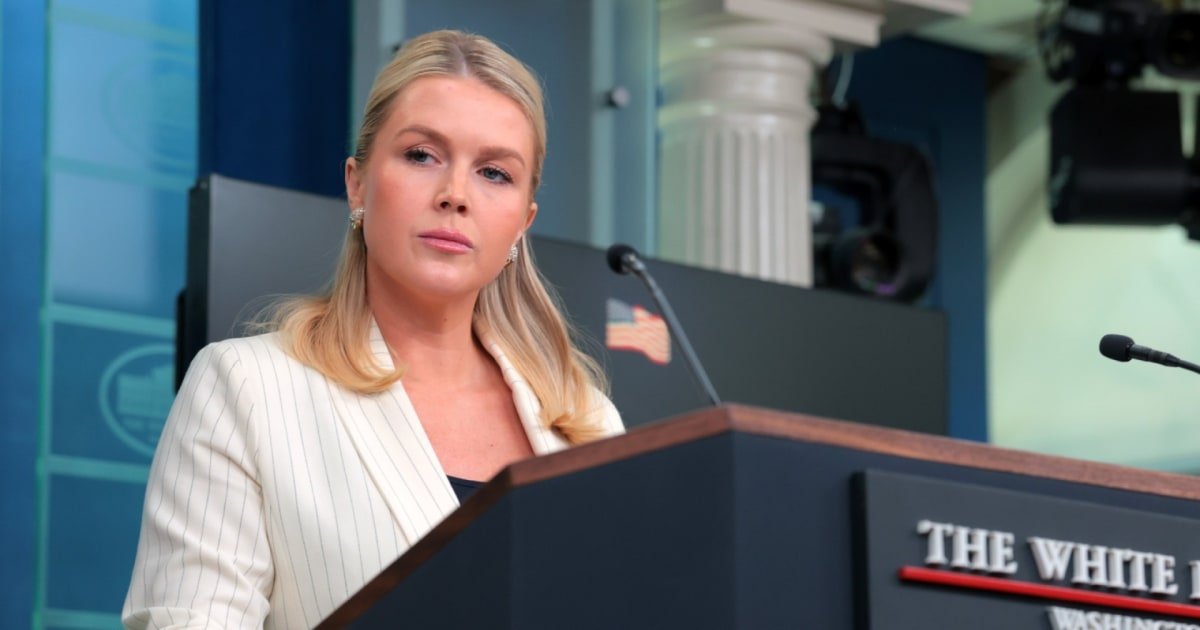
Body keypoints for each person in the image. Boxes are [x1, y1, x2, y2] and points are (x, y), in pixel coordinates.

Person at [122, 29, 624, 629]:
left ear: (523, 221)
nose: (455, 195)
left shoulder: (588, 424)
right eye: (422, 155)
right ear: (357, 183)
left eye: (494, 173)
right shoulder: (244, 387)